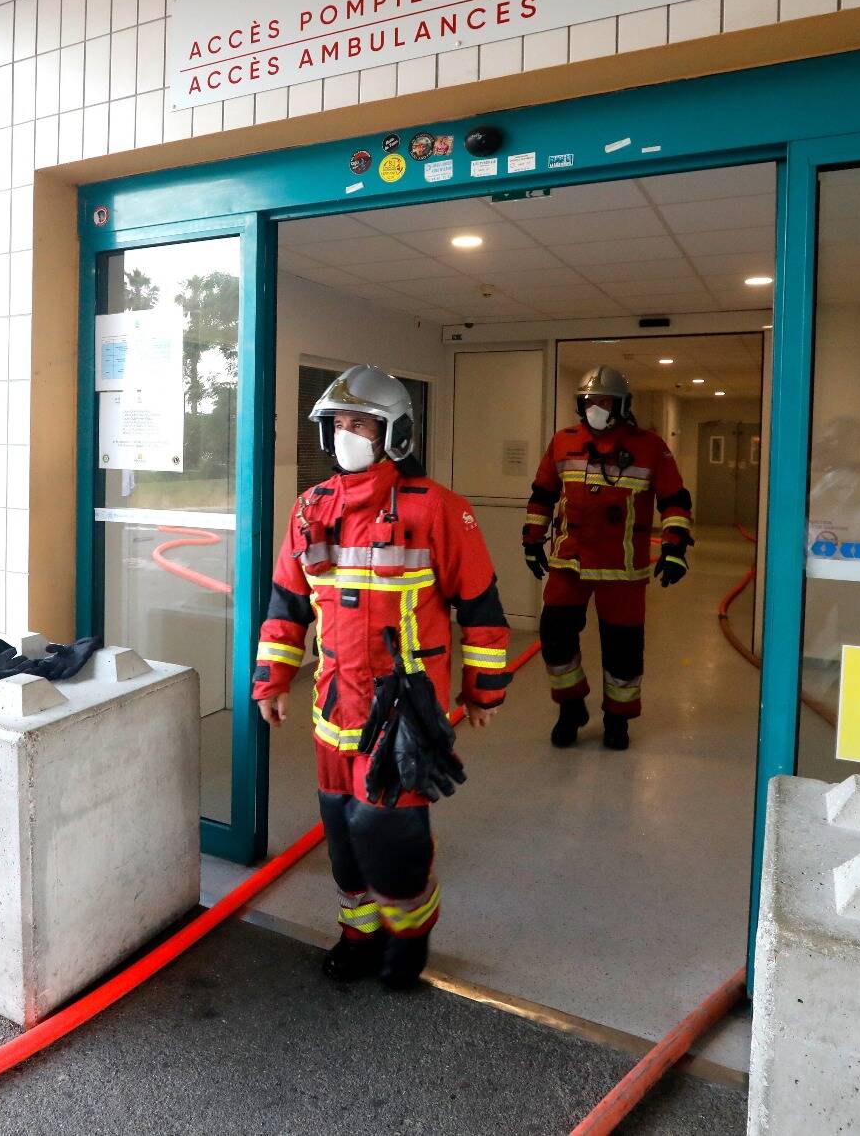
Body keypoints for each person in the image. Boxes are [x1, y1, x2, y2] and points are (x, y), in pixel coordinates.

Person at [253, 365, 512, 990]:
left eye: (360, 424)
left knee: (390, 833)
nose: (347, 436)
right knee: (342, 831)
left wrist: (483, 692)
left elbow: (481, 608)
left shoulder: (440, 510)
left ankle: (410, 936)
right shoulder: (311, 509)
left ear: (393, 432)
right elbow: (287, 603)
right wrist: (272, 680)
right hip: (332, 704)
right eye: (338, 424)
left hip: (404, 709)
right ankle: (357, 932)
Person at [521, 365, 692, 751]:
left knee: (624, 650)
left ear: (622, 405)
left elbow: (674, 499)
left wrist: (675, 546)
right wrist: (533, 540)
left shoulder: (649, 445)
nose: (597, 407)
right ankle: (571, 708)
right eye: (589, 402)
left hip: (623, 567)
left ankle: (618, 718)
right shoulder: (563, 441)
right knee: (556, 638)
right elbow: (543, 493)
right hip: (570, 561)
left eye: (604, 401)